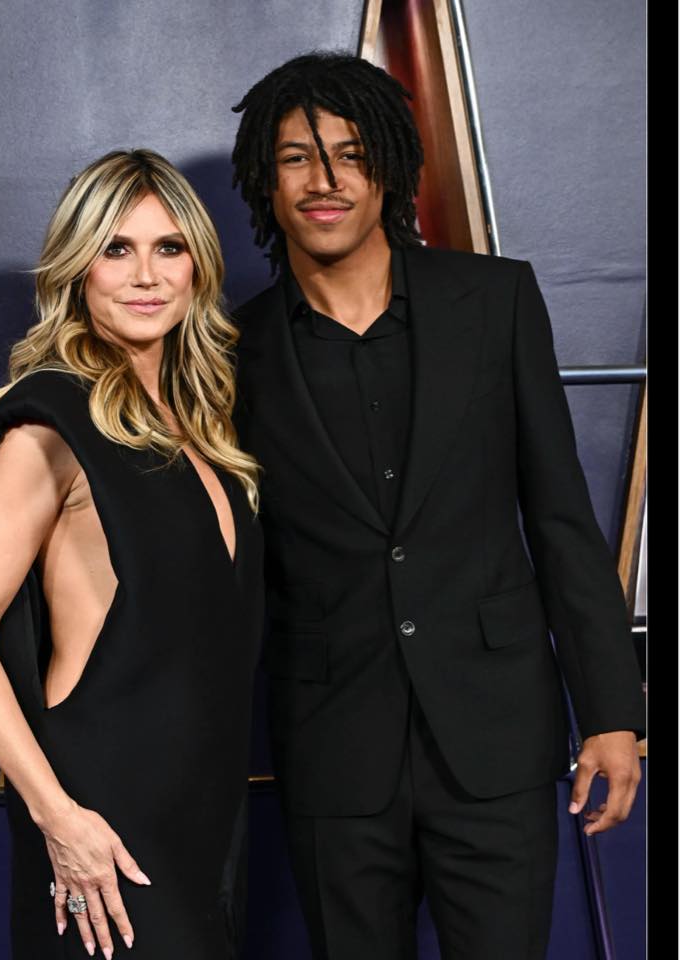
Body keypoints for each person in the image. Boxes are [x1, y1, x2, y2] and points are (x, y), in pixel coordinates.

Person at [230, 52, 645, 959]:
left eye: (350, 153)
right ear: (265, 178)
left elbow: (561, 519)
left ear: (389, 167)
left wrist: (612, 712)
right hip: (333, 747)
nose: (326, 180)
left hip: (495, 735)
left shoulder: (495, 301)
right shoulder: (229, 350)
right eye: (297, 158)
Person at [0, 149, 264, 960]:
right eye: (117, 249)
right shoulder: (48, 422)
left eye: (168, 247)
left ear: (197, 266)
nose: (146, 275)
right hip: (102, 811)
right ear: (79, 269)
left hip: (204, 807)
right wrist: (59, 817)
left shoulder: (200, 428)